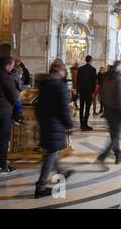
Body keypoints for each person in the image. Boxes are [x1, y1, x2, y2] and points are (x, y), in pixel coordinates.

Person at [34, 59, 74, 198]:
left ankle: (61, 172)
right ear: (61, 72)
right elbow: (63, 109)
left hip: (45, 121)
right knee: (51, 153)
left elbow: (37, 107)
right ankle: (40, 186)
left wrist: (41, 120)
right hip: (55, 123)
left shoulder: (44, 84)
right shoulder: (59, 86)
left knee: (52, 150)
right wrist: (69, 123)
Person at [97, 61, 121, 168]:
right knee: (116, 136)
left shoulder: (107, 78)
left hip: (108, 111)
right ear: (119, 69)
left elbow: (102, 93)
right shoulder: (120, 79)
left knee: (113, 135)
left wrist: (107, 106)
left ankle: (118, 155)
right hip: (117, 112)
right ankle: (103, 156)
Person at [77, 55, 97, 131]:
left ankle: (81, 123)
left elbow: (78, 80)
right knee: (87, 108)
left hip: (81, 91)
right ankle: (85, 124)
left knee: (81, 107)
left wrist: (78, 90)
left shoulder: (80, 69)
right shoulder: (93, 69)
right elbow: (94, 82)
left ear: (85, 60)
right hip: (88, 92)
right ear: (91, 60)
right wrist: (93, 92)